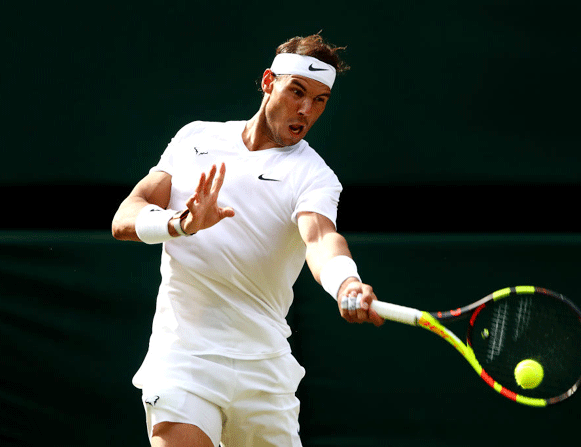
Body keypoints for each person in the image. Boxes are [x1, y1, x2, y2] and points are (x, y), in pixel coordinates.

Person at [111, 33, 384, 447]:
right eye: (297, 92)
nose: (306, 110)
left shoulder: (314, 175)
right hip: (185, 360)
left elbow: (321, 237)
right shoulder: (195, 139)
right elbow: (125, 216)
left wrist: (346, 281)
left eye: (320, 100)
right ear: (267, 82)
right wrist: (179, 224)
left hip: (265, 373)